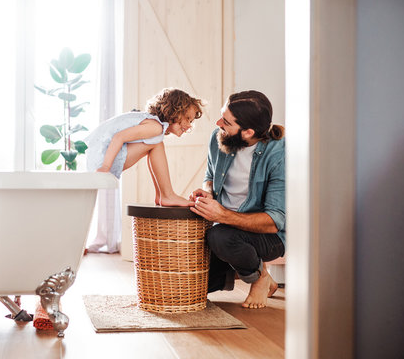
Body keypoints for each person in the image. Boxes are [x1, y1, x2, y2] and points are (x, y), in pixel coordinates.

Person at [189, 90, 285, 309]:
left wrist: (223, 215)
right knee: (191, 287)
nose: (218, 123)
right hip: (224, 229)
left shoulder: (279, 154)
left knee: (220, 237)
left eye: (226, 121)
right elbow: (210, 176)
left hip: (268, 237)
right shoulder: (219, 137)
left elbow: (274, 221)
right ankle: (256, 272)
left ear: (248, 132)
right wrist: (208, 192)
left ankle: (259, 278)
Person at [85, 88, 204, 207]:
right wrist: (105, 166)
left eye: (191, 121)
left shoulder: (150, 122)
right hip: (102, 160)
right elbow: (118, 137)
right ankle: (167, 195)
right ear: (175, 111)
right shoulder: (155, 127)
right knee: (157, 143)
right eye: (187, 118)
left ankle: (163, 195)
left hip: (101, 156)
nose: (189, 125)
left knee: (157, 143)